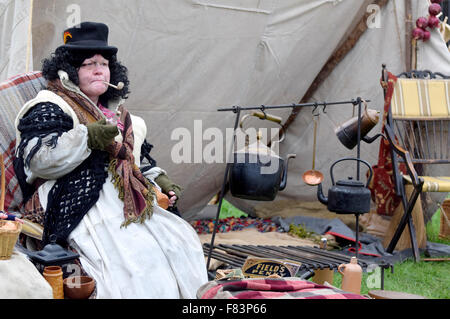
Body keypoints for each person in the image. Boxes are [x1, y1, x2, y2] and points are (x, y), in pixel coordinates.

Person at [13, 22, 208, 298]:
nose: (98, 69)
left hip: (122, 200)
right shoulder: (51, 104)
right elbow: (39, 160)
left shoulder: (121, 114)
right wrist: (87, 138)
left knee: (180, 242)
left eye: (103, 64)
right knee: (133, 260)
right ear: (69, 71)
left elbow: (136, 159)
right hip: (74, 199)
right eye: (88, 63)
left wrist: (159, 179)